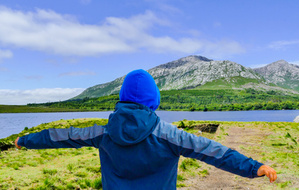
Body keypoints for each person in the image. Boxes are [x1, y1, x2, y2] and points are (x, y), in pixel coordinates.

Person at [13, 69, 276, 189]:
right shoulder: (169, 135)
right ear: (153, 101)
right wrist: (253, 167)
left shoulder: (102, 133)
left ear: (123, 98)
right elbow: (212, 151)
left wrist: (25, 140)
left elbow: (62, 136)